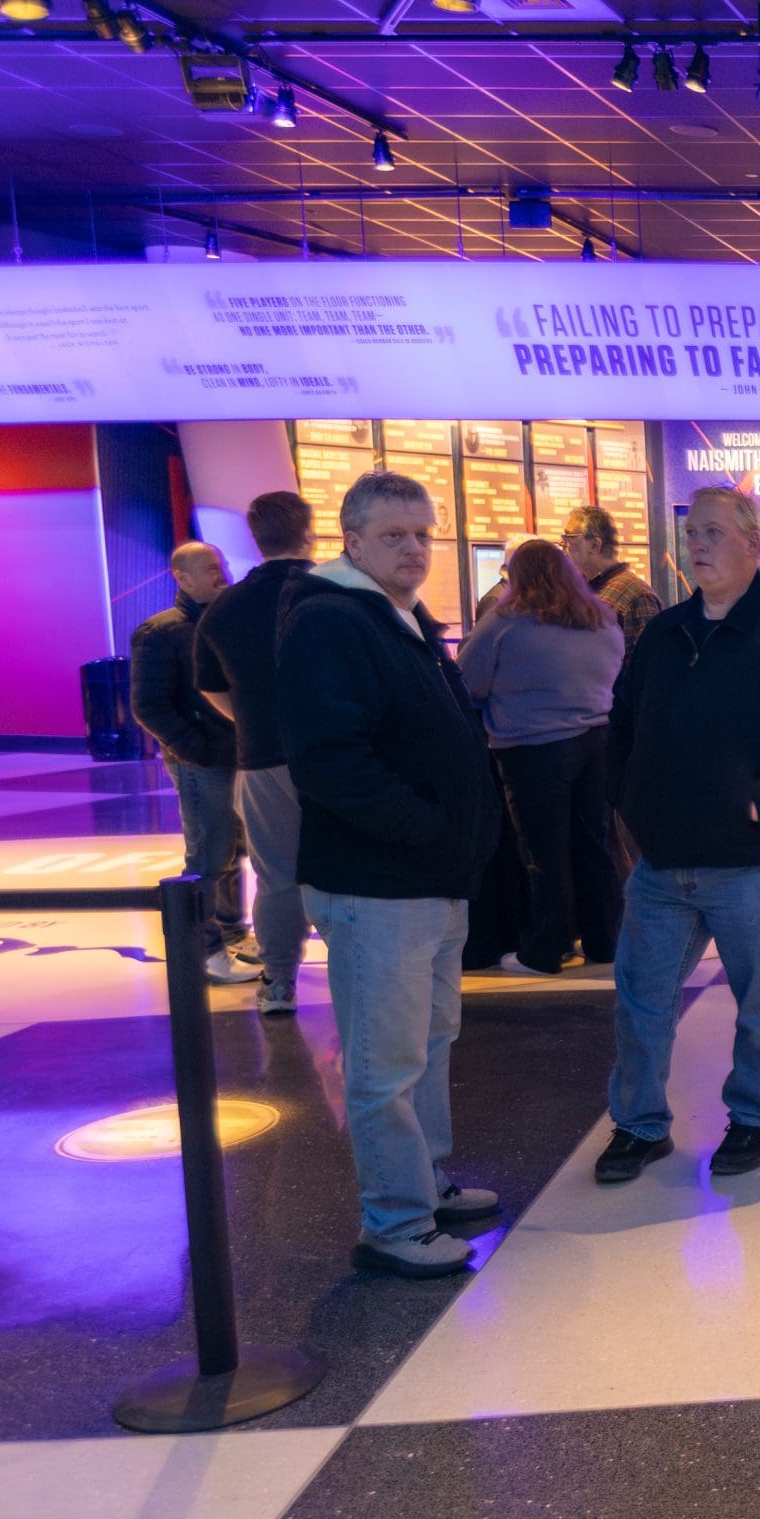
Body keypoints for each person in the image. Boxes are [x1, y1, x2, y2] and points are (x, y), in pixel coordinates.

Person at [594, 486, 760, 1186]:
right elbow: (623, 721)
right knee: (641, 1000)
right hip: (663, 862)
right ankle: (639, 1124)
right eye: (693, 534)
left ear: (753, 544)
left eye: (714, 532)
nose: (699, 545)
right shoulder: (665, 634)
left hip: (753, 862)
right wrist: (629, 798)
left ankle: (755, 1116)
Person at [278, 471, 504, 1279]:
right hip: (377, 882)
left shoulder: (398, 615)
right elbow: (330, 759)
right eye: (394, 535)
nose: (414, 548)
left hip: (428, 878)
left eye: (422, 533)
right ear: (352, 540)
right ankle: (395, 1220)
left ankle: (424, 1183)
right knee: (384, 1061)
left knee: (428, 1044)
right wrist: (425, 827)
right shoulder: (331, 622)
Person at [457, 540, 626, 978]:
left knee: (543, 853)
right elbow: (615, 671)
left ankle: (545, 950)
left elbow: (468, 681)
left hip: (532, 748)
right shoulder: (600, 617)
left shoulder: (504, 623)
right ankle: (605, 940)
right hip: (596, 742)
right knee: (594, 845)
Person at [194, 490, 319, 1015]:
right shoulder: (338, 592)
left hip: (263, 757)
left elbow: (210, 687)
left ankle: (280, 982)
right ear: (309, 533)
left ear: (254, 536)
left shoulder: (223, 608)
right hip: (339, 753)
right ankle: (363, 976)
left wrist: (250, 719)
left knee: (278, 878)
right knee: (354, 872)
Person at [131, 541, 253, 982]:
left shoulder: (230, 621)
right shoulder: (160, 632)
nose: (221, 573)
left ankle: (232, 933)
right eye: (209, 568)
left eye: (221, 564)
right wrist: (195, 750)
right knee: (209, 853)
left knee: (233, 849)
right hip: (203, 761)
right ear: (181, 578)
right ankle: (204, 950)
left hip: (239, 756)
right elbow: (149, 706)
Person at [560, 505, 660, 650]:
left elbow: (653, 658)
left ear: (595, 545)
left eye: (569, 537)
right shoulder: (587, 590)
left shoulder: (638, 597)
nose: (562, 544)